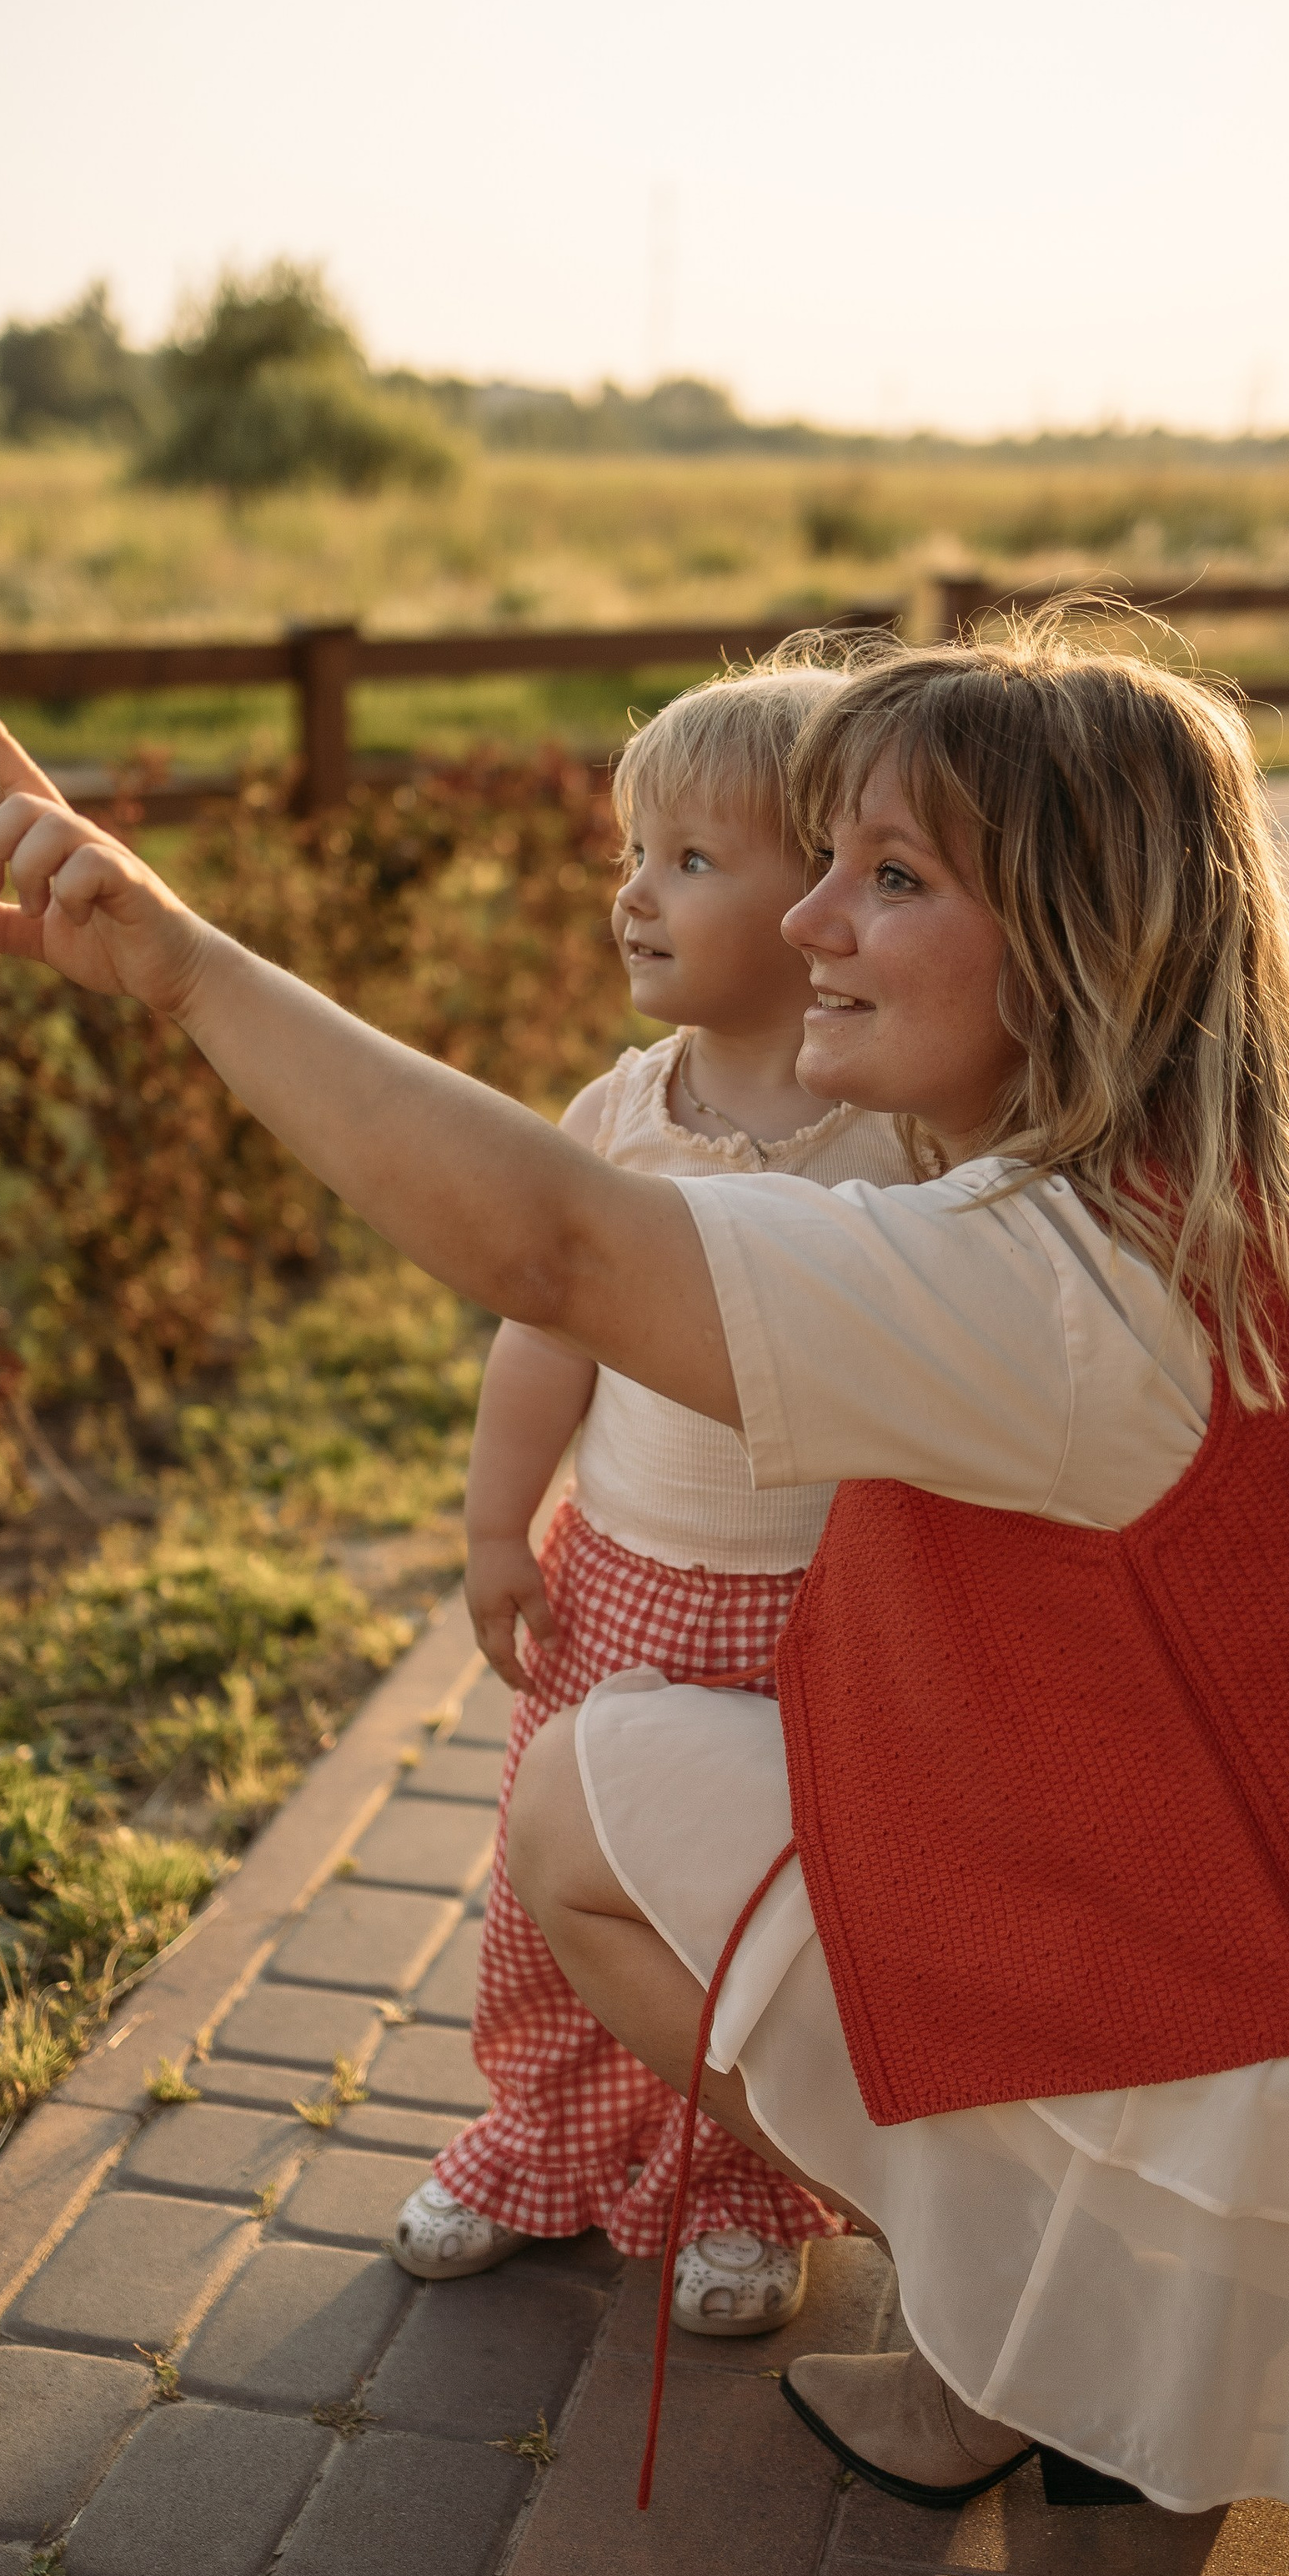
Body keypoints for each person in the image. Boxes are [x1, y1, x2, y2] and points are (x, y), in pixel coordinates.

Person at [0, 622, 1289, 2569]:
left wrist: (185, 963)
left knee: (577, 1800)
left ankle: (1037, 2315)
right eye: (817, 859)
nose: (811, 919)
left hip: (1282, 2039)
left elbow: (560, 1248)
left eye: (891, 877)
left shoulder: (1049, 1280)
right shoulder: (1246, 1176)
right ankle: (1096, 2307)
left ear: (1082, 937)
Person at [394, 665, 921, 2336]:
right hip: (625, 1580)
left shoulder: (898, 1136)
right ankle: (538, 2138)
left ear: (824, 899)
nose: (632, 889)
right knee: (559, 1891)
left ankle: (744, 2182)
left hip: (815, 1609)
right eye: (633, 849)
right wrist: (494, 1528)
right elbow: (542, 1334)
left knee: (753, 1913)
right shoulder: (620, 1119)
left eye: (691, 858)